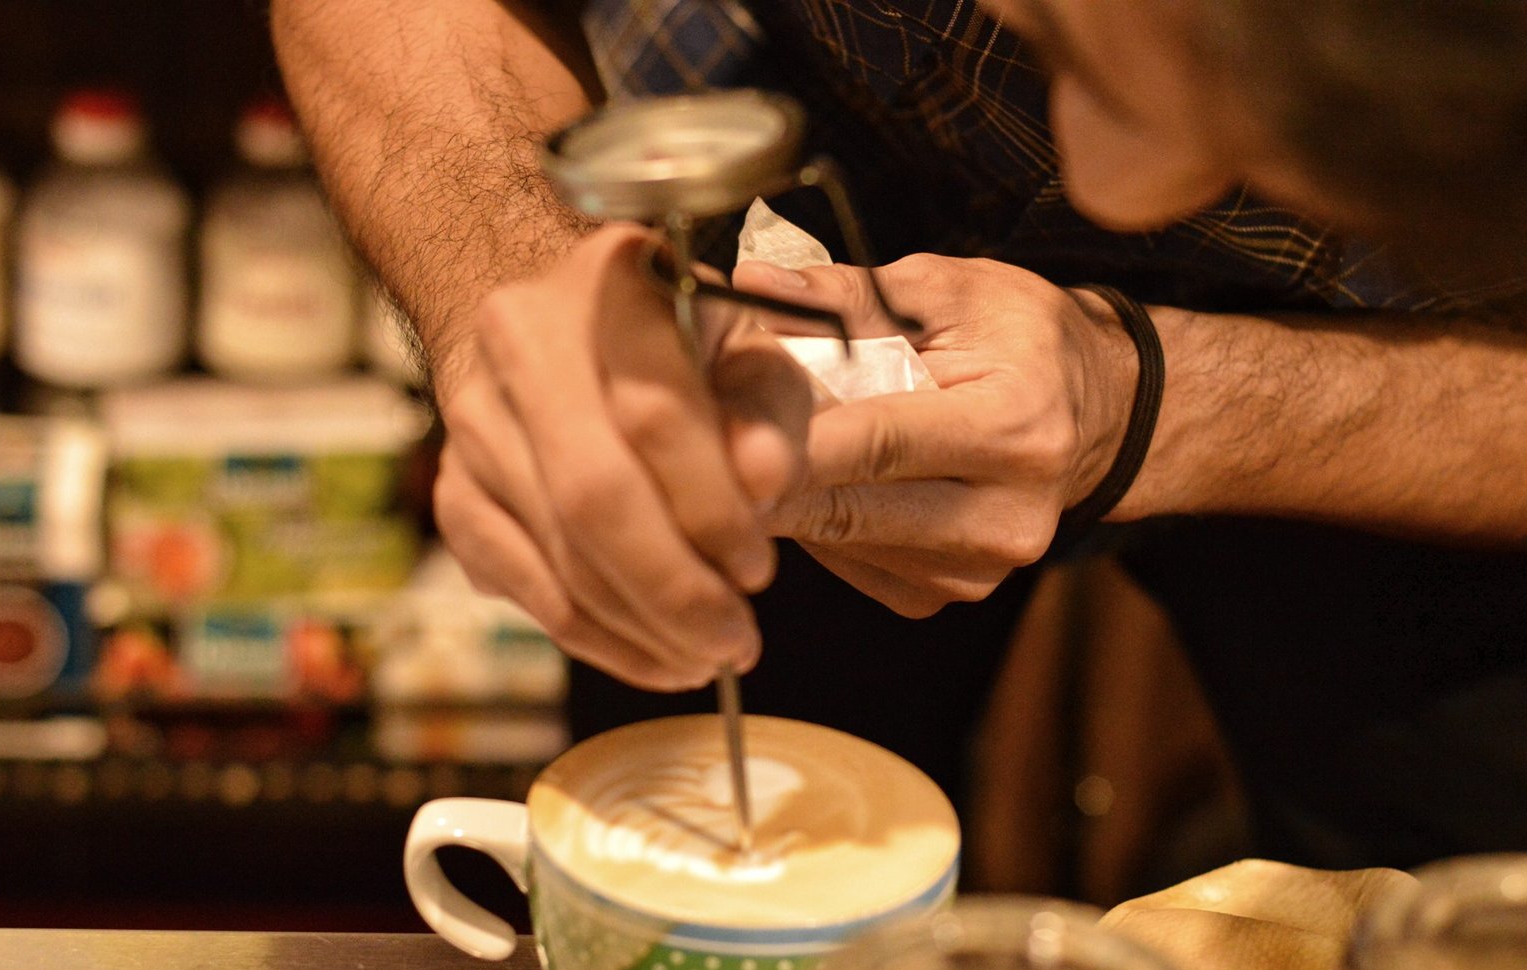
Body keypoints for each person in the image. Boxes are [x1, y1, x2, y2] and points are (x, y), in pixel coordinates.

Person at [271, 0, 1527, 872]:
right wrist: (506, 277)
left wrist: (1165, 396)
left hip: (1441, 375)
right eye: (1067, 38)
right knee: (693, 841)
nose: (1113, 190)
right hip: (831, 151)